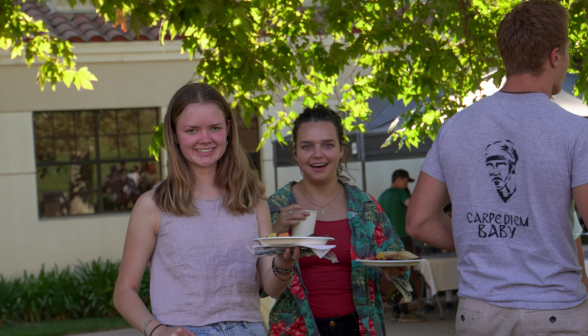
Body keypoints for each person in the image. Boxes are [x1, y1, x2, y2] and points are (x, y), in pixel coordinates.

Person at [406, 1, 588, 335]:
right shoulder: (575, 131)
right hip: (554, 311)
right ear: (554, 56)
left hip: (479, 313)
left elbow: (418, 223)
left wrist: (490, 240)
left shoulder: (455, 128)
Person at [113, 83, 300, 336]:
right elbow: (124, 291)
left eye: (215, 128)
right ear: (175, 134)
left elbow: (272, 286)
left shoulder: (252, 199)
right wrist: (158, 331)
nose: (205, 138)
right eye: (192, 130)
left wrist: (285, 263)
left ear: (228, 130)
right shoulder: (153, 205)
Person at [267, 105, 409, 336]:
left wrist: (392, 274)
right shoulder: (276, 207)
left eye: (328, 145)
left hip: (359, 328)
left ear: (342, 150)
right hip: (295, 329)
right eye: (307, 146)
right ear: (295, 153)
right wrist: (276, 232)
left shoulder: (366, 208)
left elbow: (390, 290)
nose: (318, 154)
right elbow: (261, 285)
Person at [377, 170, 424, 323]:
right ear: (399, 180)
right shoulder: (400, 193)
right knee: (405, 273)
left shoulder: (382, 195)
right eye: (405, 181)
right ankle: (405, 311)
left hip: (385, 240)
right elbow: (412, 205)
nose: (406, 185)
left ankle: (396, 311)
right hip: (402, 238)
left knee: (391, 274)